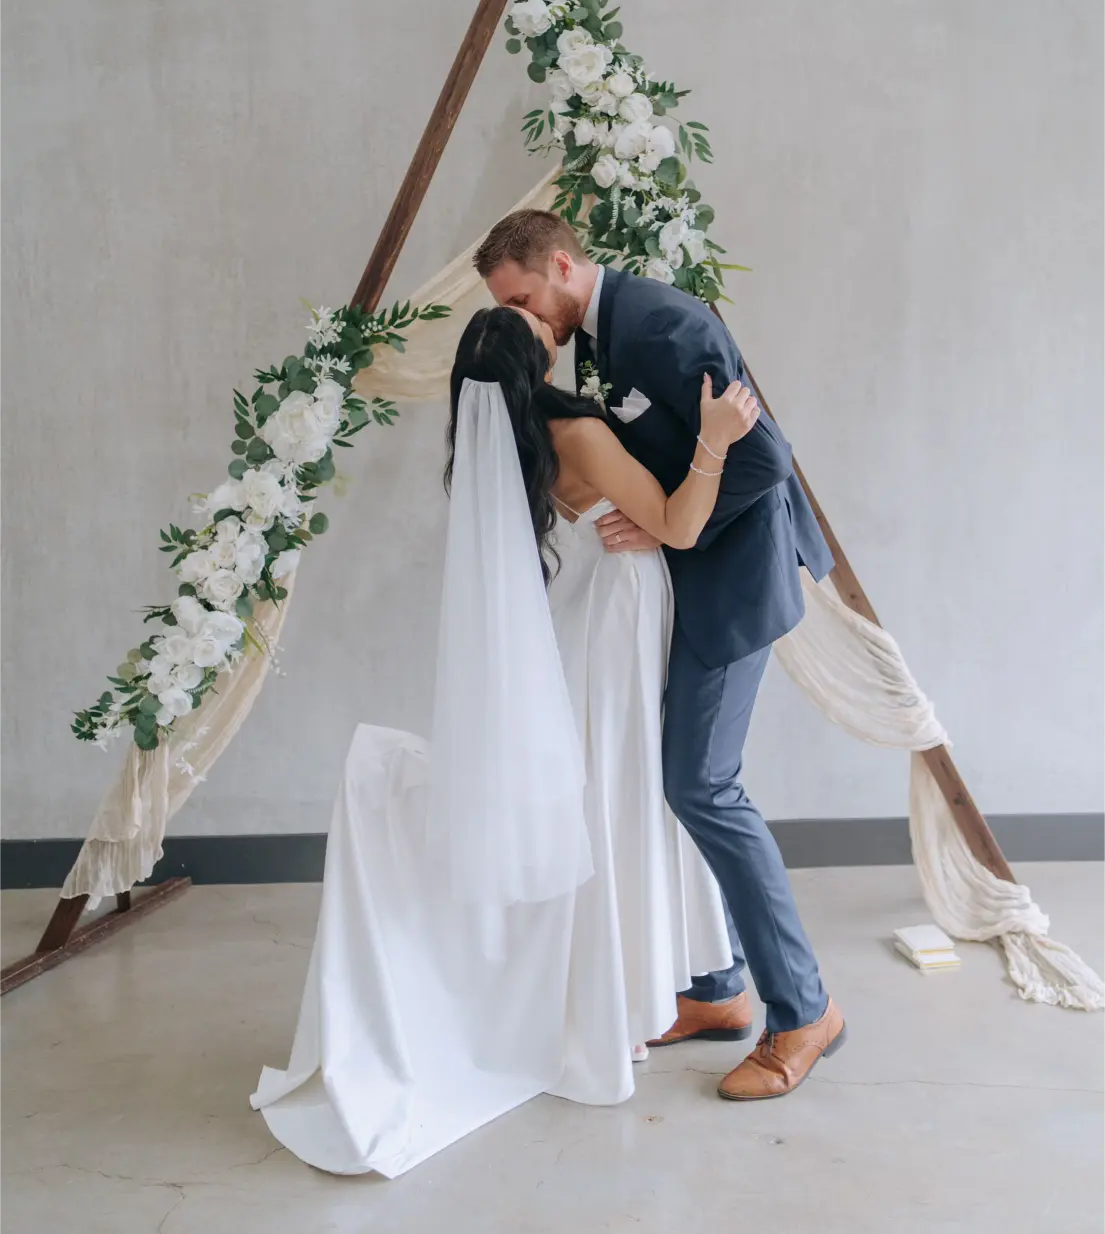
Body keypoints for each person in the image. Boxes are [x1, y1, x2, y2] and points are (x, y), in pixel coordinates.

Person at [252, 302, 762, 1176]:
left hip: (577, 614)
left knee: (604, 786)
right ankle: (622, 996)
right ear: (536, 364)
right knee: (622, 787)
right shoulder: (578, 432)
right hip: (617, 614)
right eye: (542, 336)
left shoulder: (500, 441)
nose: (555, 337)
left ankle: (617, 990)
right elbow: (678, 526)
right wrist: (713, 440)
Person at [477, 210, 846, 1102]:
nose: (523, 319)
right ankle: (715, 992)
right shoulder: (604, 334)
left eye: (523, 299)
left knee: (701, 786)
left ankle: (803, 1012)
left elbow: (765, 457)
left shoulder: (657, 325)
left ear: (559, 264)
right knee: (667, 776)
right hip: (689, 582)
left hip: (731, 583)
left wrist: (667, 527)